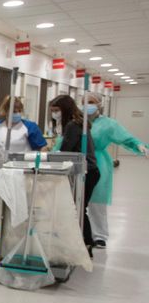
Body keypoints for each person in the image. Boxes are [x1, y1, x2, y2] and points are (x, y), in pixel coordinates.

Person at [81, 92, 148, 248]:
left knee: (97, 200)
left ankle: (99, 235)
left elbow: (125, 137)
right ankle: (82, 233)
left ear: (99, 104)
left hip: (98, 162)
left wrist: (139, 145)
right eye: (84, 102)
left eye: (91, 102)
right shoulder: (78, 121)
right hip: (78, 161)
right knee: (78, 199)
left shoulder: (108, 124)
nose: (87, 105)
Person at [49, 95, 100, 253]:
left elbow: (66, 150)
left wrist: (51, 156)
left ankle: (86, 243)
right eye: (52, 111)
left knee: (78, 208)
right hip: (87, 170)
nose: (55, 114)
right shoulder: (78, 123)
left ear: (65, 109)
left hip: (86, 171)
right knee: (78, 208)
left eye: (57, 110)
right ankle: (86, 242)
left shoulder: (73, 125)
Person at [0, 95, 48, 178]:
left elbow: (43, 148)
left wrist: (39, 168)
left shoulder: (30, 127)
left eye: (19, 111)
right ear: (6, 111)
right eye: (14, 111)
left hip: (22, 174)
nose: (17, 114)